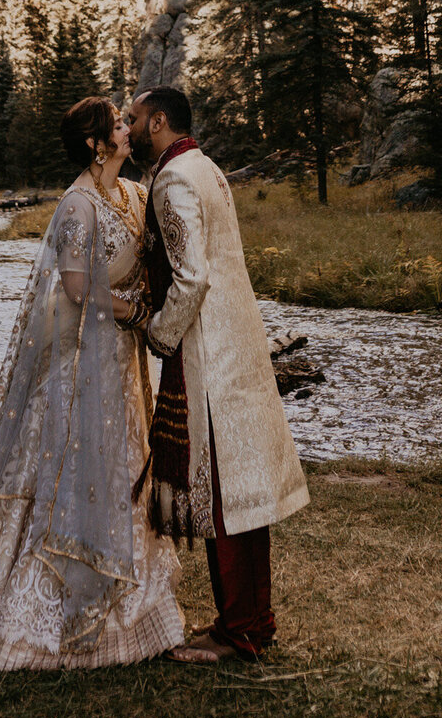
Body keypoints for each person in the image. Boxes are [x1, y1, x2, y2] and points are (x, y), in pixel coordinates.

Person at [0, 96, 184, 669]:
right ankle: (44, 627)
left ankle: (136, 617)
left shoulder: (132, 194)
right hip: (81, 360)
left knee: (124, 465)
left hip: (121, 361)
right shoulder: (78, 205)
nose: (128, 130)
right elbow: (75, 288)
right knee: (76, 470)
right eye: (118, 125)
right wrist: (130, 313)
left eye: (128, 122)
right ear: (96, 144)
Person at [124, 86, 309, 664]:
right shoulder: (205, 168)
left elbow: (192, 277)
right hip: (238, 343)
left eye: (131, 119)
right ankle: (253, 619)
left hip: (210, 353)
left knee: (225, 492)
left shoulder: (175, 179)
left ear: (156, 122)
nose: (126, 128)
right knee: (242, 494)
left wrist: (157, 334)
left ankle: (238, 633)